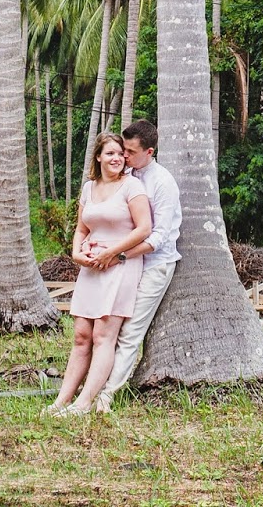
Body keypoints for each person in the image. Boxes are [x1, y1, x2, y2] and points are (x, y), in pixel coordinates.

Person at [48, 132, 151, 415]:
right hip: (90, 267)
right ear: (98, 157)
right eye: (110, 153)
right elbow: (82, 228)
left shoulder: (132, 186)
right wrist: (76, 252)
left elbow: (144, 229)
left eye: (120, 153)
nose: (117, 158)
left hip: (120, 264)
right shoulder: (89, 188)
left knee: (103, 336)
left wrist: (112, 253)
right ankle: (62, 400)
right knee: (82, 335)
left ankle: (84, 403)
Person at [93, 118, 181, 412]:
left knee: (131, 332)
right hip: (127, 263)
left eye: (130, 151)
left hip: (154, 264)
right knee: (109, 327)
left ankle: (106, 396)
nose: (124, 156)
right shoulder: (127, 175)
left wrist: (118, 255)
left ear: (150, 152)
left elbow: (159, 237)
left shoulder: (163, 183)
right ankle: (94, 385)